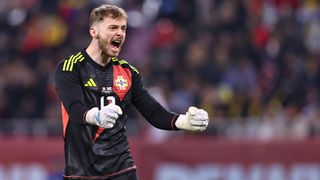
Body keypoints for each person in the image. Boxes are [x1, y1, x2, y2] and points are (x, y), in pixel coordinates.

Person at [54, 4, 209, 180]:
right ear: (94, 32)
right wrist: (95, 116)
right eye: (113, 28)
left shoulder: (128, 72)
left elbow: (153, 112)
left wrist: (183, 121)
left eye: (123, 28)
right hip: (81, 173)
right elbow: (74, 109)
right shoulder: (70, 68)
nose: (120, 33)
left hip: (122, 170)